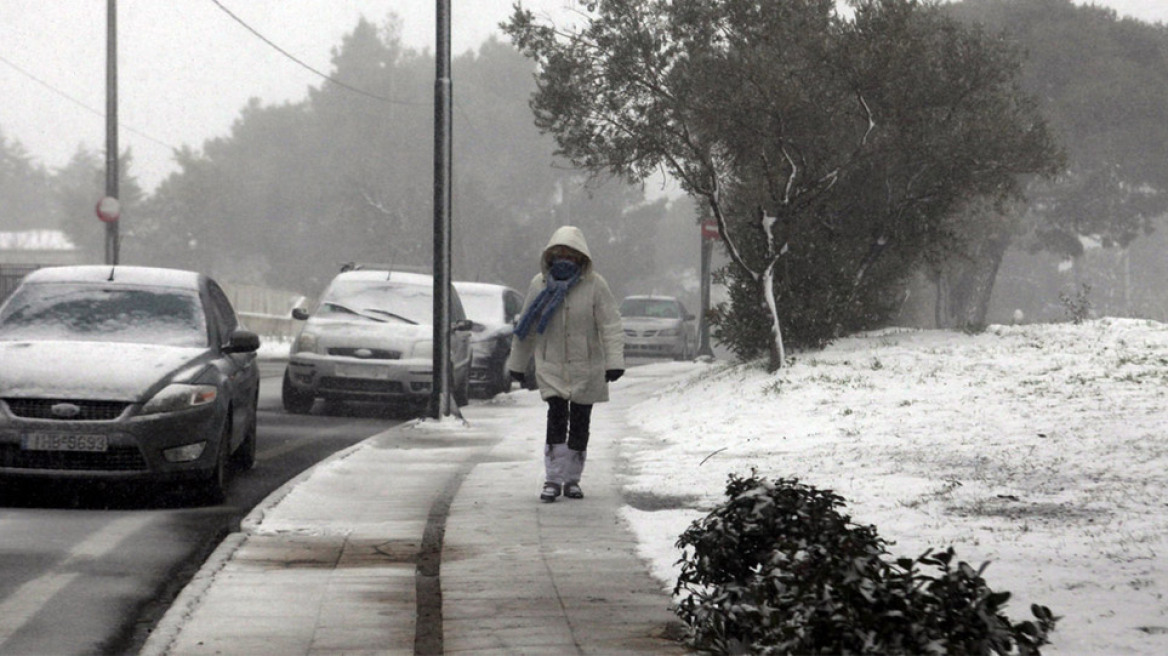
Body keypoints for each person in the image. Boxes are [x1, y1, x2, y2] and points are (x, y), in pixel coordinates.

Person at [507, 226, 625, 503]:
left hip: (587, 366)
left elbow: (610, 325)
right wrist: (518, 363)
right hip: (551, 364)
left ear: (581, 257)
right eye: (558, 253)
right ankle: (553, 477)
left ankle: (572, 479)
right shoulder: (539, 284)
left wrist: (614, 362)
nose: (564, 258)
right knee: (557, 416)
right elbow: (527, 325)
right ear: (549, 255)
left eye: (570, 254)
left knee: (581, 421)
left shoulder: (595, 285)